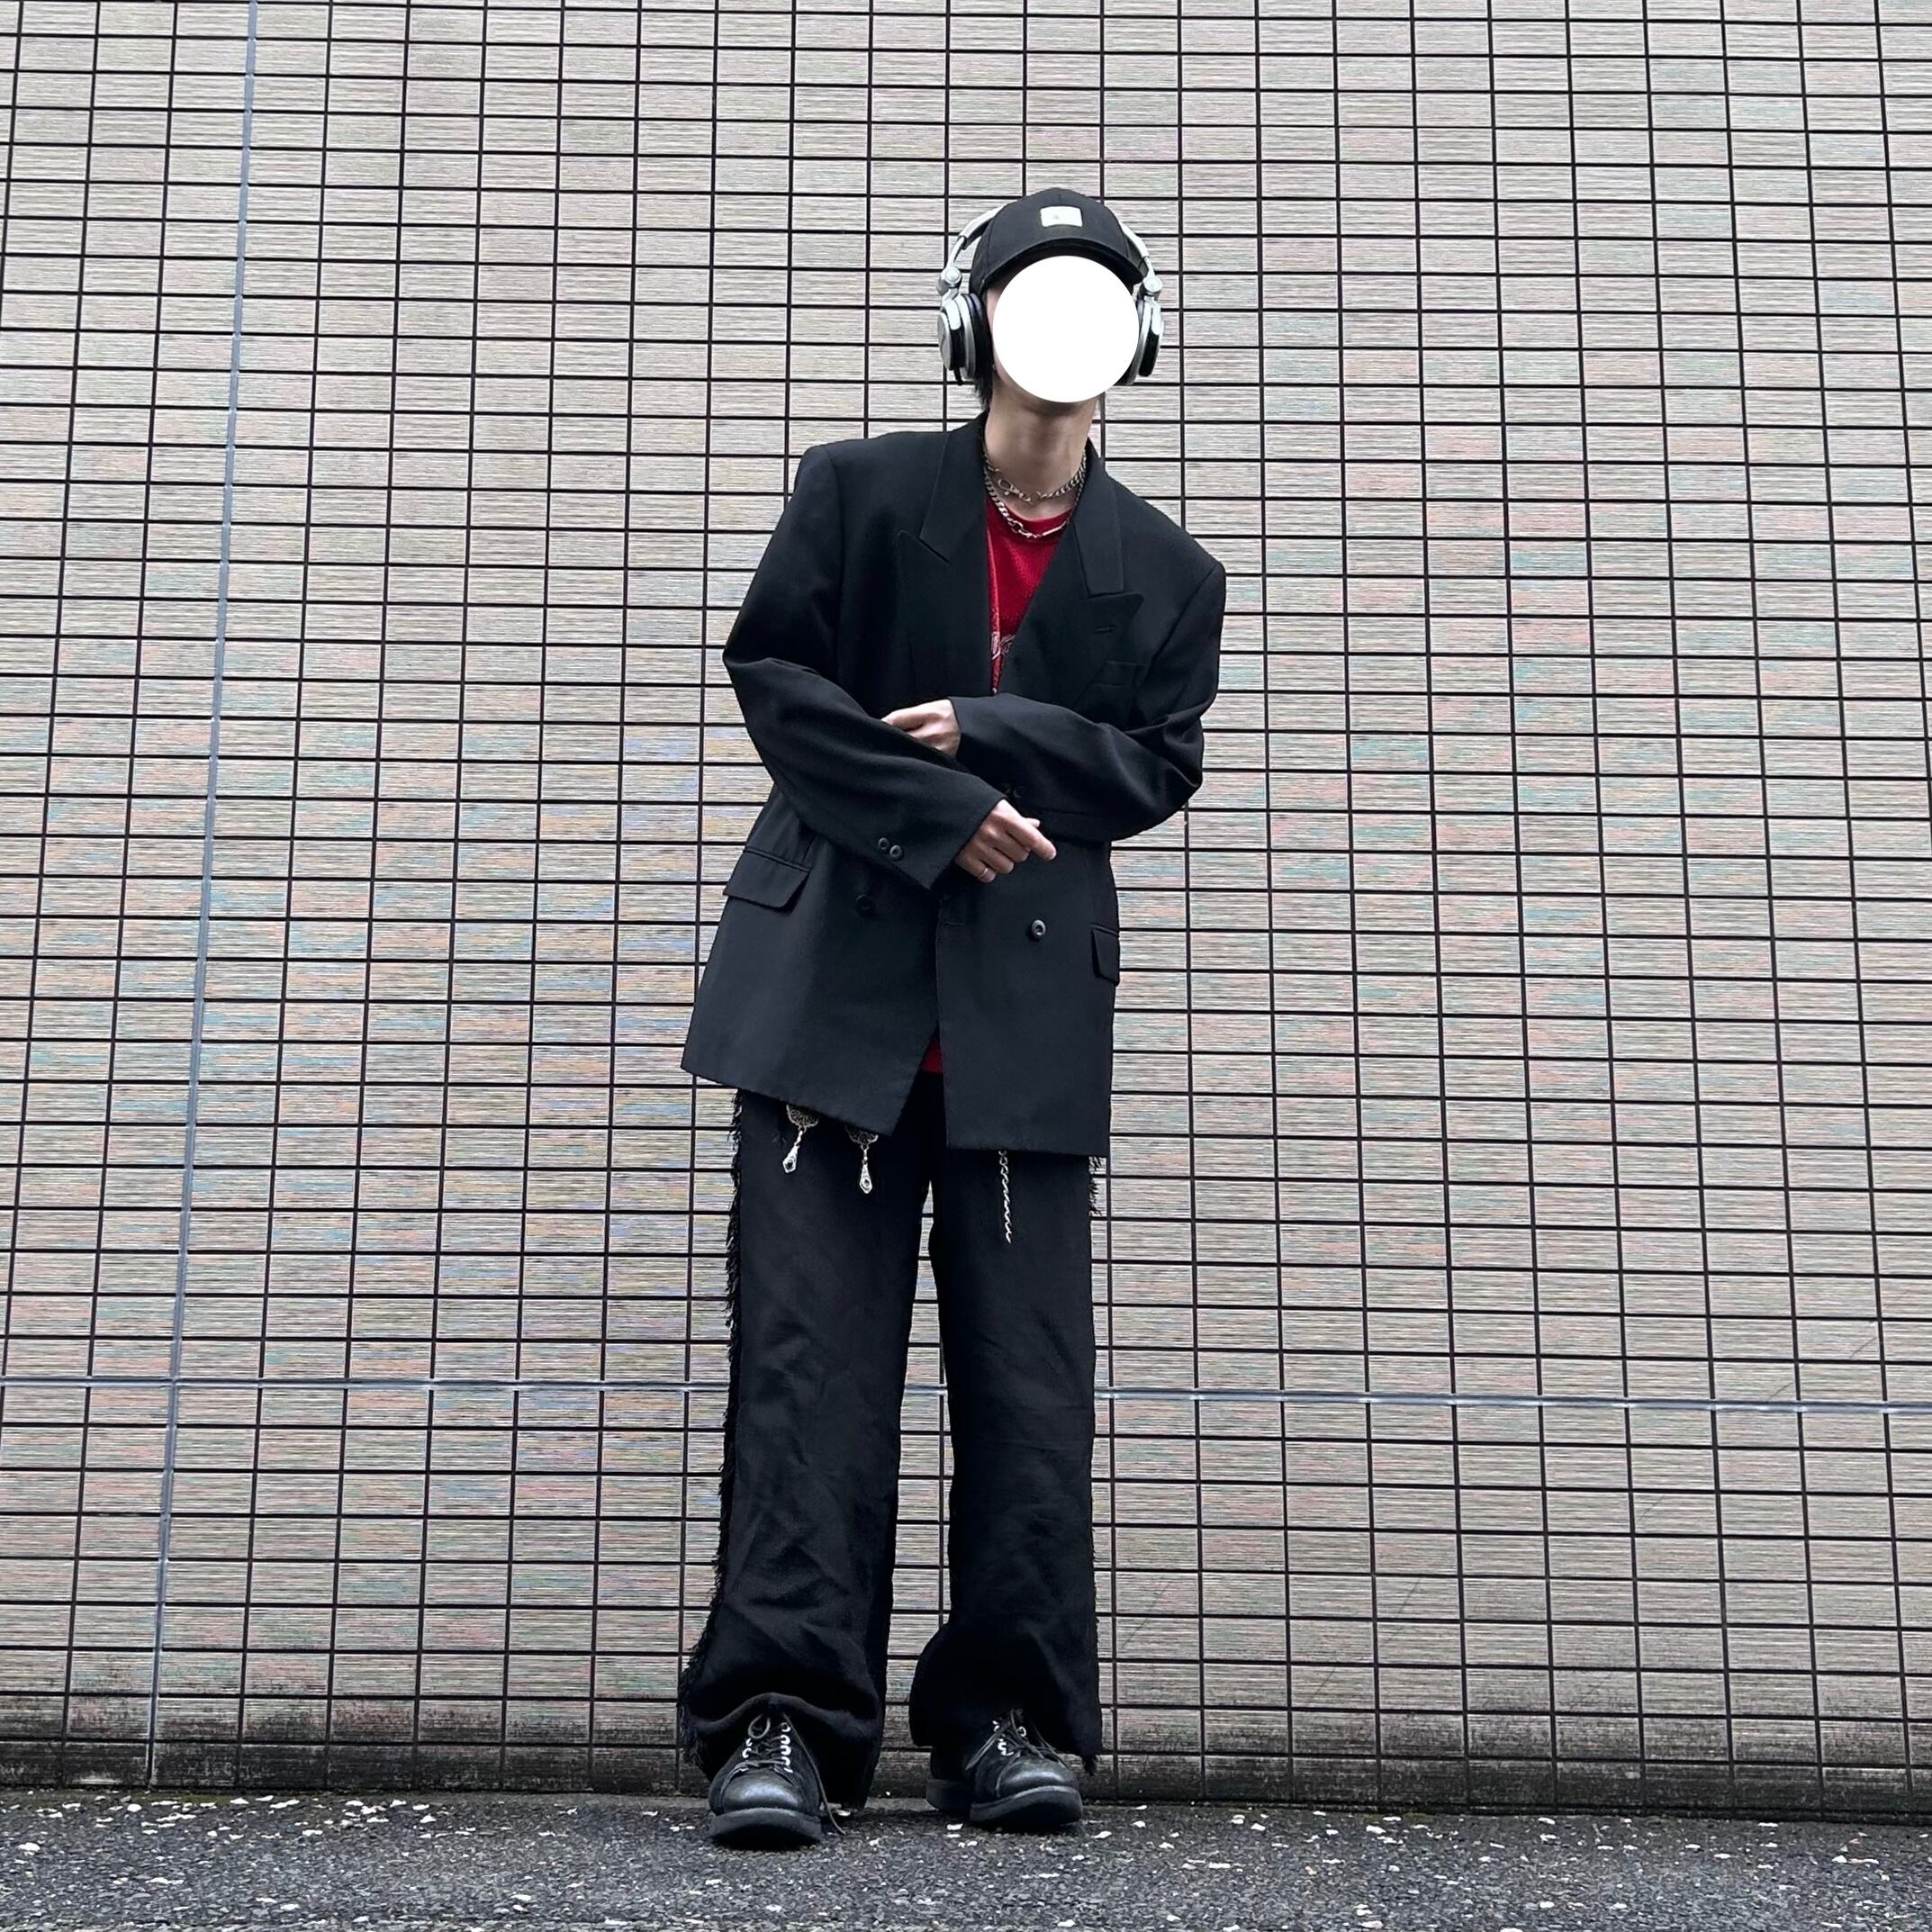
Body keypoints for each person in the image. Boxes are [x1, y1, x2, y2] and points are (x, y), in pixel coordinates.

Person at [673, 186, 1227, 1846]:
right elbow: (777, 682)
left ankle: (1007, 1721)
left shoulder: (1166, 569)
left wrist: (987, 734)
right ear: (969, 321)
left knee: (1027, 1390)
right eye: (1028, 297)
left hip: (1020, 1031)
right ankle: (780, 1720)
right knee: (806, 1379)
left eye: (1093, 302)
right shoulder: (855, 492)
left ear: (1137, 338)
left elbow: (1158, 765)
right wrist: (940, 812)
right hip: (827, 1018)